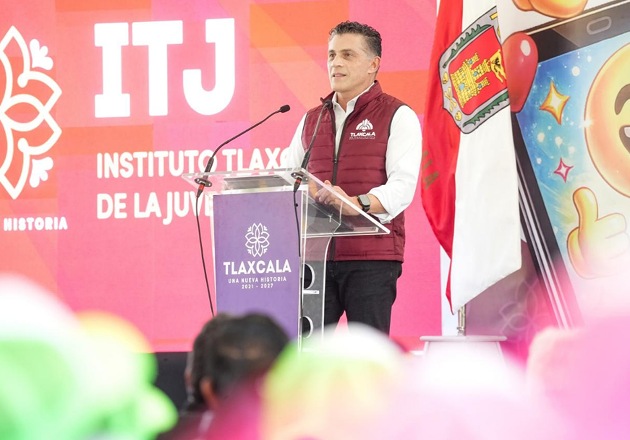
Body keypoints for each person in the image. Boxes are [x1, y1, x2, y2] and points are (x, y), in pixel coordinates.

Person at [284, 21, 422, 334]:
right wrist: (305, 191)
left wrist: (356, 203)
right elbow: (289, 179)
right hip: (315, 259)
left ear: (373, 64)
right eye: (332, 55)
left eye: (348, 55)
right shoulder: (311, 120)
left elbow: (402, 187)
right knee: (310, 353)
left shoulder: (397, 115)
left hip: (371, 257)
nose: (336, 63)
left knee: (369, 353)